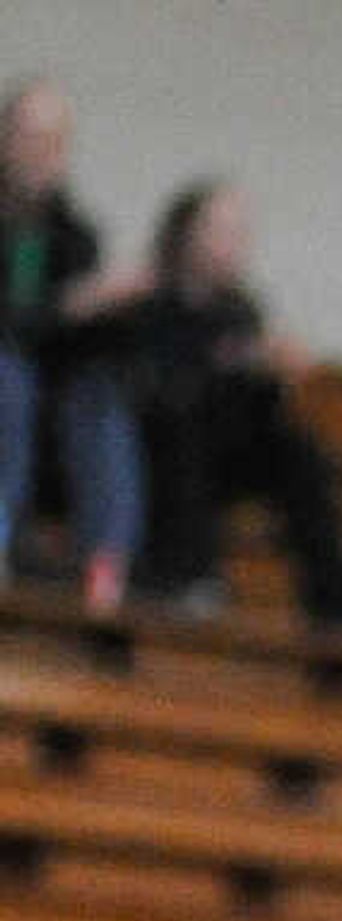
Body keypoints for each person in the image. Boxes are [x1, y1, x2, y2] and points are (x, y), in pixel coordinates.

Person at [125, 179, 342, 643]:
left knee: (298, 450)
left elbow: (255, 408)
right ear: (186, 233)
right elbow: (154, 386)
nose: (233, 243)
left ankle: (336, 599)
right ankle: (186, 575)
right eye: (222, 229)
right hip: (156, 450)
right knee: (183, 424)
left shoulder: (241, 309)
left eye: (240, 232)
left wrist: (271, 375)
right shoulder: (149, 299)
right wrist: (227, 365)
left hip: (221, 451)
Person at [0, 79, 144, 616]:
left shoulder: (75, 234)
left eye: (54, 141)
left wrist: (122, 308)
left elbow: (81, 341)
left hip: (50, 397)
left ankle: (107, 562)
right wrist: (67, 306)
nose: (40, 152)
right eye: (29, 136)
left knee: (102, 396)